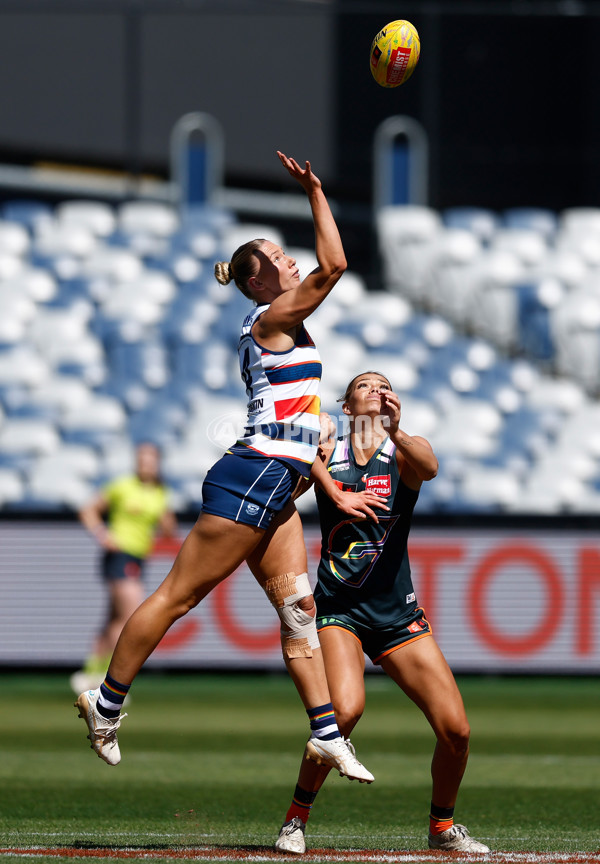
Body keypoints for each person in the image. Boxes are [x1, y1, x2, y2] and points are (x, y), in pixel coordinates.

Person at [74, 152, 380, 785]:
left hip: (278, 483)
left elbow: (299, 424)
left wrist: (323, 474)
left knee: (299, 611)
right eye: (275, 256)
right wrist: (317, 193)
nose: (288, 259)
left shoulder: (276, 322)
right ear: (256, 280)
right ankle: (104, 704)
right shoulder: (273, 318)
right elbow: (337, 265)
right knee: (177, 597)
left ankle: (326, 733)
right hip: (253, 479)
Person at [274, 371, 490, 855]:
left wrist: (394, 428)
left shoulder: (404, 448)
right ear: (347, 407)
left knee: (456, 730)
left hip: (397, 615)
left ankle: (441, 828)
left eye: (383, 384)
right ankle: (295, 819)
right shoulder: (331, 449)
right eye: (363, 385)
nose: (375, 389)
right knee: (344, 712)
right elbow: (287, 494)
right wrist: (322, 477)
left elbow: (430, 468)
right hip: (340, 611)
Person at [70, 442, 178, 695]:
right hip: (120, 555)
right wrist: (102, 534)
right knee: (129, 617)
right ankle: (110, 682)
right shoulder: (122, 486)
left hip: (138, 559)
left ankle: (90, 674)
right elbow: (89, 510)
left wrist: (166, 514)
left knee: (113, 619)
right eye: (141, 459)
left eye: (150, 460)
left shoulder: (159, 493)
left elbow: (168, 529)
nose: (145, 464)